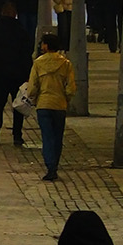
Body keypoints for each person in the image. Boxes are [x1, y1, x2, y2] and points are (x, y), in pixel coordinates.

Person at [0, 1, 33, 146]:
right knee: (18, 103)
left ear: (2, 13)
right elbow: (27, 52)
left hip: (0, 72)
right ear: (15, 14)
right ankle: (17, 135)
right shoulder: (22, 31)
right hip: (18, 73)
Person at [28, 31, 75, 182]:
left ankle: (50, 166)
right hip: (59, 105)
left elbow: (33, 87)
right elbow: (71, 88)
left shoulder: (38, 63)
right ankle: (55, 164)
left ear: (46, 46)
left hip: (43, 104)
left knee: (47, 137)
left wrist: (33, 99)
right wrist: (65, 99)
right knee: (57, 136)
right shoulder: (66, 64)